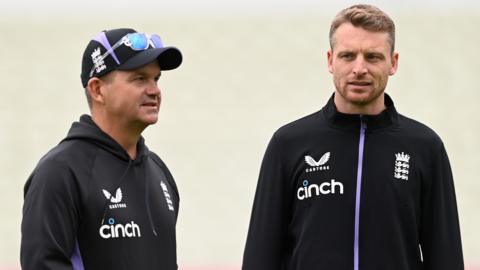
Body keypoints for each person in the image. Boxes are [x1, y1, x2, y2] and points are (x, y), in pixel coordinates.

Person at [242, 4, 463, 270]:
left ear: (393, 63)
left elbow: (445, 255)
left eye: (372, 57)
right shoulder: (288, 144)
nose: (359, 68)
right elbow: (260, 255)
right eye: (348, 56)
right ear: (330, 60)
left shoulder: (425, 147)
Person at [20, 28, 182, 269]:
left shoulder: (160, 172)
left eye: (156, 79)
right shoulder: (60, 172)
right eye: (139, 78)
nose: (154, 90)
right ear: (97, 89)